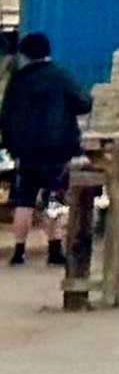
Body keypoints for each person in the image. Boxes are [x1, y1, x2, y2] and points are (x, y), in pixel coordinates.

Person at [3, 33, 91, 270]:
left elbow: (6, 116)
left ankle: (19, 251)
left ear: (25, 54)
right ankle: (54, 249)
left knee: (24, 201)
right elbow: (84, 103)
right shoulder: (60, 76)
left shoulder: (17, 80)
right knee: (55, 199)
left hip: (27, 152)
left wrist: (11, 146)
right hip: (58, 150)